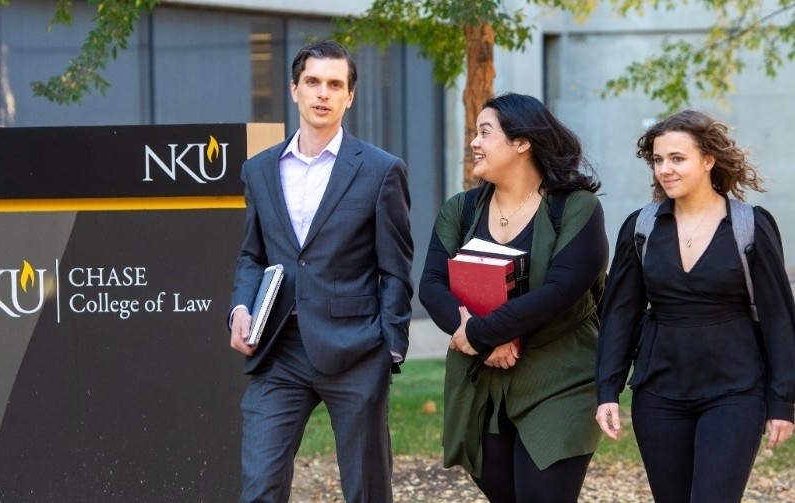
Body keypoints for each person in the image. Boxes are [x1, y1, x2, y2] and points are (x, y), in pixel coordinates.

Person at [227, 40, 414, 503]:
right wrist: (239, 308)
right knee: (260, 486)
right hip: (278, 350)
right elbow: (253, 254)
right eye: (313, 82)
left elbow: (395, 267)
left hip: (355, 351)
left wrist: (389, 347)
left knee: (367, 491)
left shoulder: (381, 170)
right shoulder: (260, 170)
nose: (322, 93)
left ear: (350, 96)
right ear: (294, 89)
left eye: (335, 84)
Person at [595, 109, 795, 503]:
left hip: (735, 391)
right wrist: (607, 390)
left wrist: (783, 401)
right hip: (659, 392)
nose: (664, 170)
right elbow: (620, 313)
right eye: (657, 160)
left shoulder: (749, 225)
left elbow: (779, 317)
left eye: (677, 159)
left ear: (708, 160)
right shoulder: (642, 227)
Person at [419, 92, 608, 502]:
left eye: (485, 132)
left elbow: (560, 291)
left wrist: (482, 332)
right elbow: (432, 284)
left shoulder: (576, 208)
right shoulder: (462, 209)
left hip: (560, 375)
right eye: (475, 132)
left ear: (522, 142)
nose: (474, 141)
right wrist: (479, 338)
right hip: (482, 381)